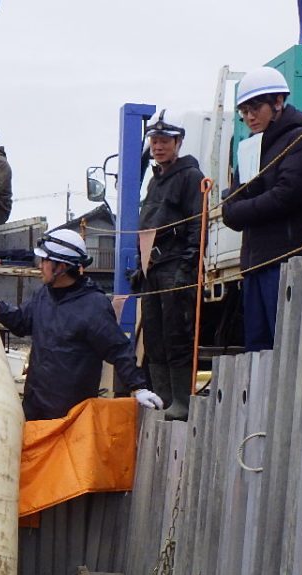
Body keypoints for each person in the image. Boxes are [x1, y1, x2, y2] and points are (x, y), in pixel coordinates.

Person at [0, 228, 162, 421]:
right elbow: (22, 322)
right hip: (34, 411)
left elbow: (119, 350)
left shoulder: (93, 306)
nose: (40, 265)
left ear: (61, 267)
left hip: (71, 420)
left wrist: (139, 388)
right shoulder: (44, 295)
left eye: (45, 260)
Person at [221, 68, 302, 351]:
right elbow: (232, 202)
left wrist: (239, 208)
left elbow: (285, 195)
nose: (249, 117)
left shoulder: (301, 138)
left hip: (284, 260)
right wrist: (238, 206)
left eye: (255, 108)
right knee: (256, 348)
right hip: (255, 263)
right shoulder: (251, 147)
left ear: (278, 102)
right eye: (244, 111)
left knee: (285, 346)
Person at [136, 110, 207, 421]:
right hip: (153, 265)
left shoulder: (190, 177)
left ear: (178, 142)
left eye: (165, 140)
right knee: (154, 333)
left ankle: (182, 399)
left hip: (176, 262)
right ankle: (164, 395)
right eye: (155, 140)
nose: (158, 146)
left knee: (177, 332)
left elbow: (198, 224)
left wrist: (188, 267)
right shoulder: (155, 179)